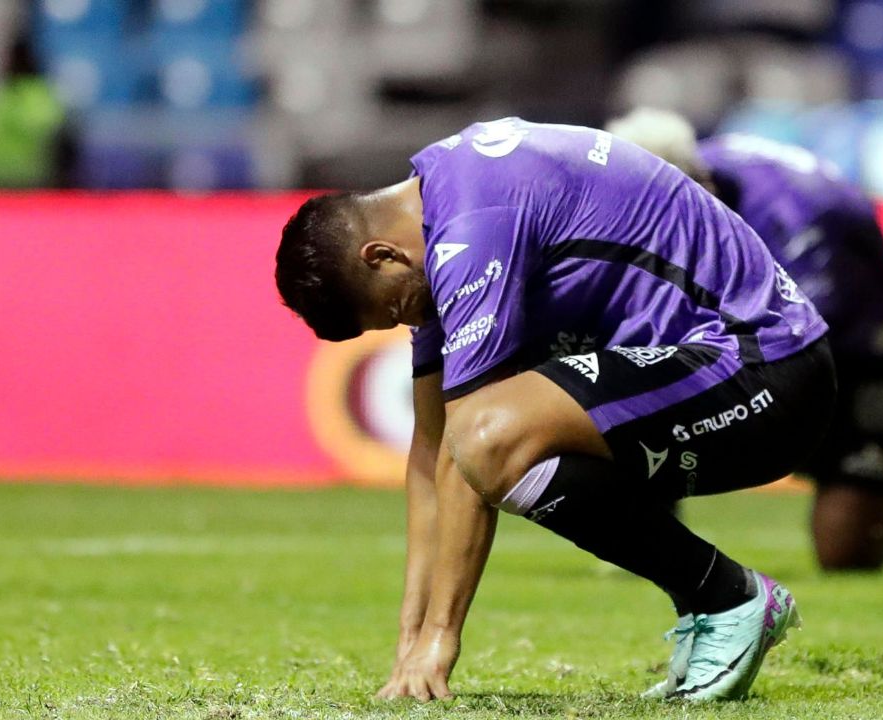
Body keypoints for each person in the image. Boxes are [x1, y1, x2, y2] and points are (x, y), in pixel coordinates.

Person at [273, 118, 836, 702]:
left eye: (393, 312)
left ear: (381, 255)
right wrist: (410, 639)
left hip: (766, 373)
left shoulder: (472, 226)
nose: (410, 325)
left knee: (494, 438)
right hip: (720, 374)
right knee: (488, 439)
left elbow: (471, 444)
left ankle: (728, 599)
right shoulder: (440, 211)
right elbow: (430, 451)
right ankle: (717, 597)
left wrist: (442, 638)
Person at [607, 108, 883, 571]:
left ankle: (876, 511)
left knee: (846, 552)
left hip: (859, 341)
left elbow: (798, 343)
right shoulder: (674, 174)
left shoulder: (797, 219)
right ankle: (651, 507)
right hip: (771, 317)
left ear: (696, 188)